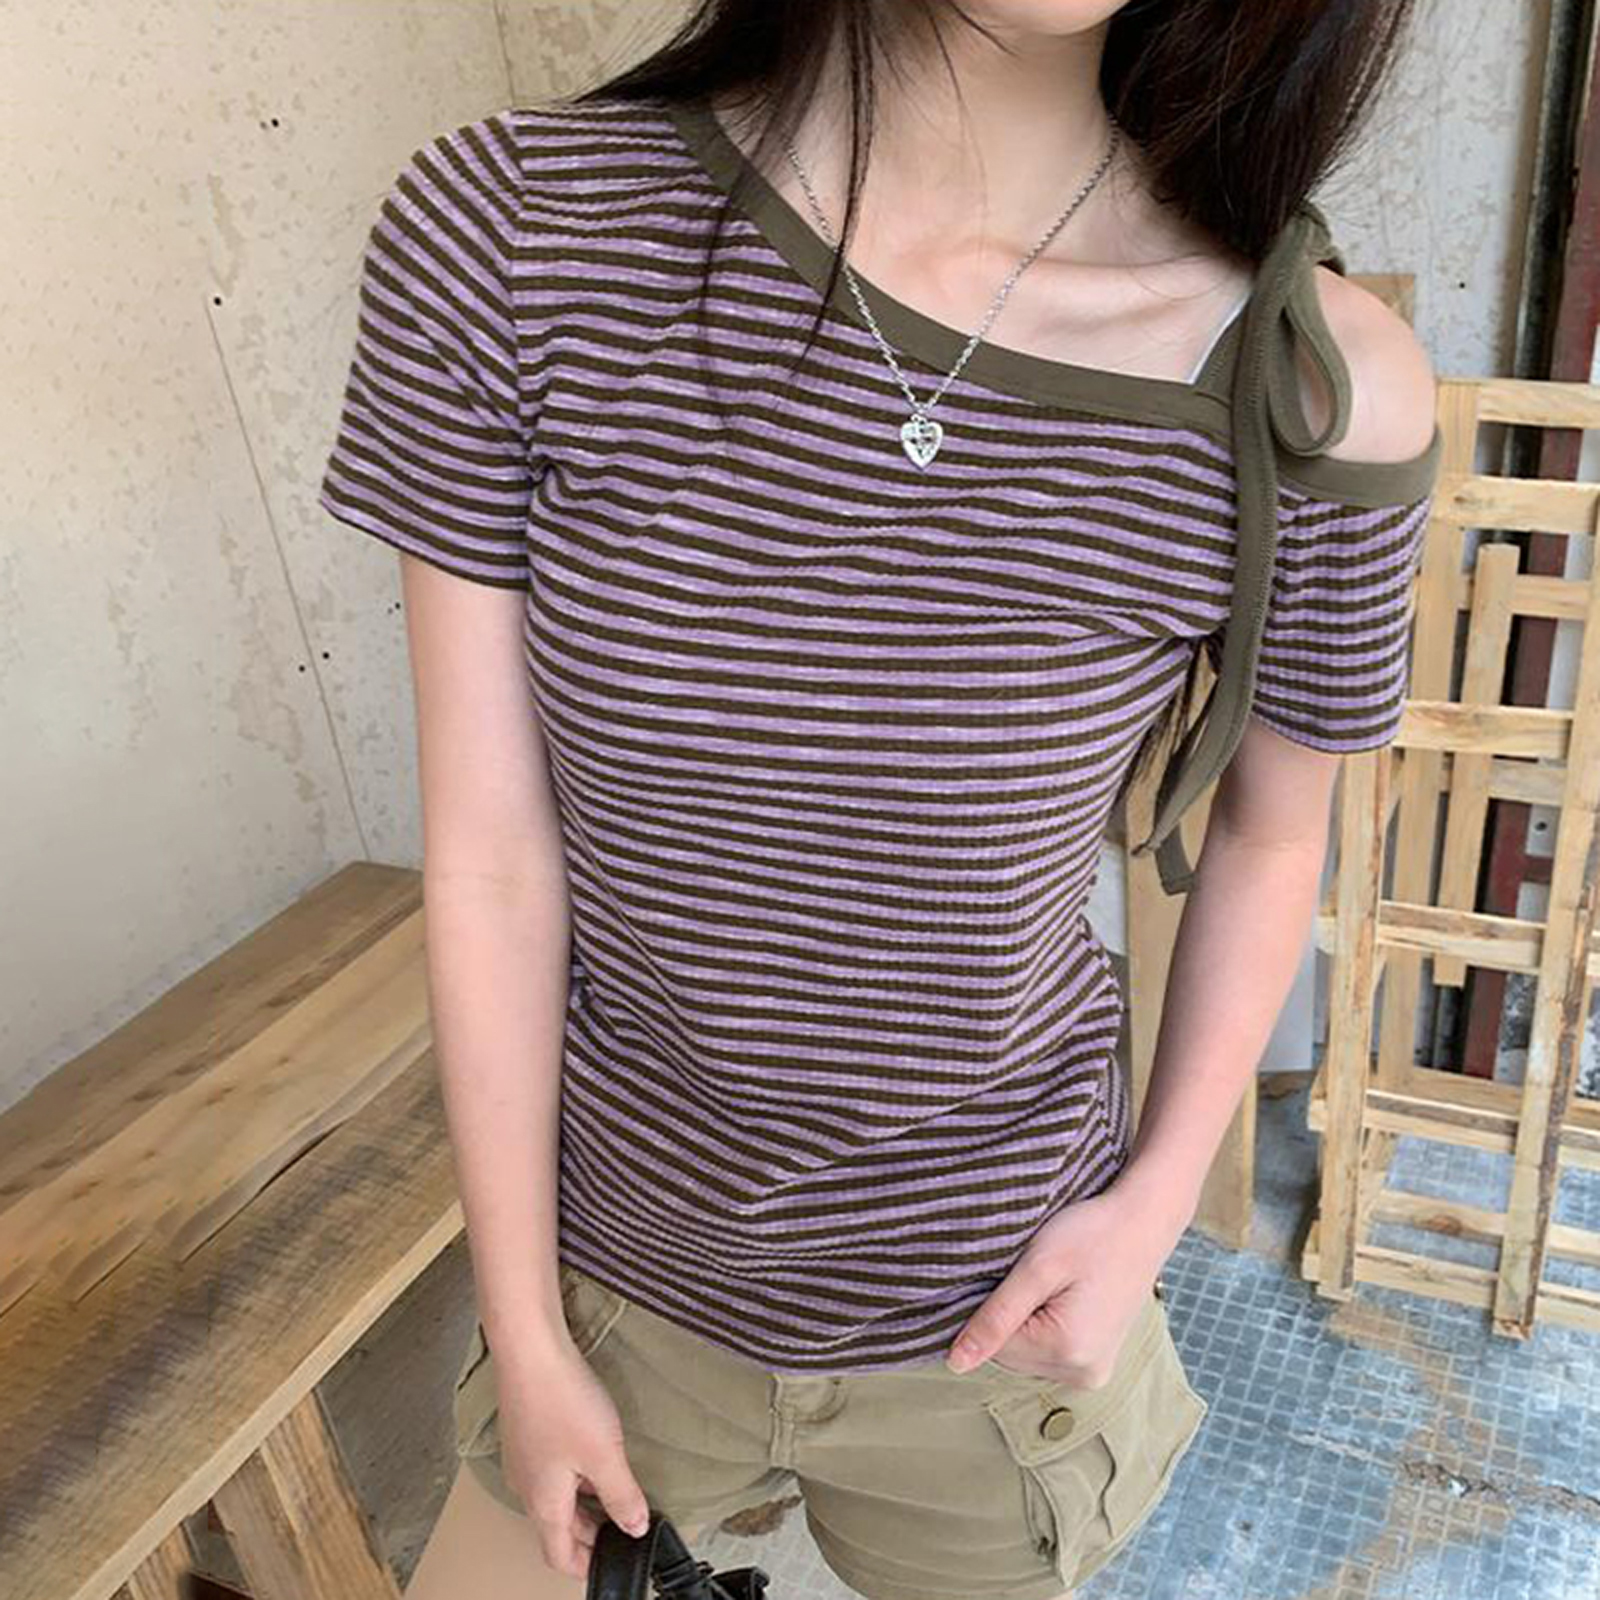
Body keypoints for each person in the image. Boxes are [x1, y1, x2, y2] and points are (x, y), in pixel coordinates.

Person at [318, 2, 1441, 1596]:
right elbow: (495, 856)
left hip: (1001, 1319)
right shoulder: (518, 234)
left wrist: (1149, 1214)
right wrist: (522, 1330)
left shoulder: (1307, 389)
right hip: (614, 1284)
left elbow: (1273, 830)